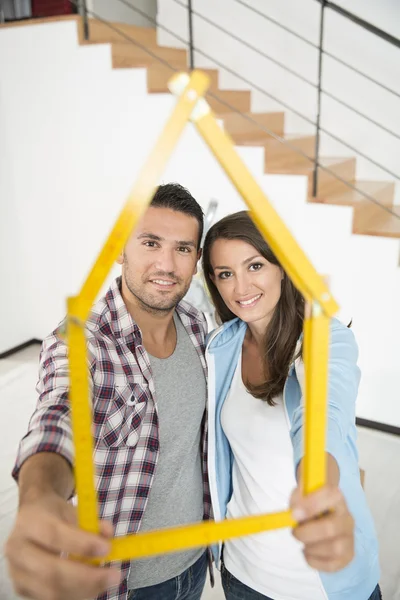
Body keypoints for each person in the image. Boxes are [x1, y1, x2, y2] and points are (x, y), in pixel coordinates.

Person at [6, 183, 211, 600]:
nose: (166, 264)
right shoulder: (82, 342)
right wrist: (39, 496)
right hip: (125, 584)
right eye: (150, 243)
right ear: (119, 248)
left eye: (183, 249)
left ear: (197, 260)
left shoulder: (196, 323)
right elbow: (58, 415)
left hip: (195, 563)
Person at [202, 210, 381, 600]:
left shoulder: (326, 339)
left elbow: (322, 417)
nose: (241, 286)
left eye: (255, 265)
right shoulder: (221, 347)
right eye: (225, 273)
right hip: (242, 572)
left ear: (283, 266)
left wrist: (317, 488)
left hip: (322, 583)